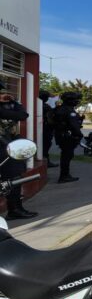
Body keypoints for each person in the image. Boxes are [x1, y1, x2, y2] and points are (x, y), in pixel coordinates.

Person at [0, 83, 38, 219]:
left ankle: (16, 208)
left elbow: (22, 115)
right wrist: (14, 102)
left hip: (9, 144)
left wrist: (11, 101)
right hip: (3, 147)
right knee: (12, 177)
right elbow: (22, 115)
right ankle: (14, 210)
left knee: (14, 177)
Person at [54, 92, 83, 183]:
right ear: (70, 101)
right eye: (75, 100)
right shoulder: (69, 110)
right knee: (67, 156)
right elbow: (73, 125)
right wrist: (79, 135)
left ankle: (65, 175)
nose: (77, 102)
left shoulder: (59, 109)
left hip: (60, 135)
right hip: (68, 137)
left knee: (65, 156)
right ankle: (64, 176)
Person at [39, 90, 58, 168]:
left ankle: (46, 160)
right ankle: (46, 161)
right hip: (46, 128)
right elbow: (52, 115)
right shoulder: (45, 106)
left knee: (44, 144)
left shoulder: (38, 104)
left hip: (42, 127)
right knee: (46, 145)